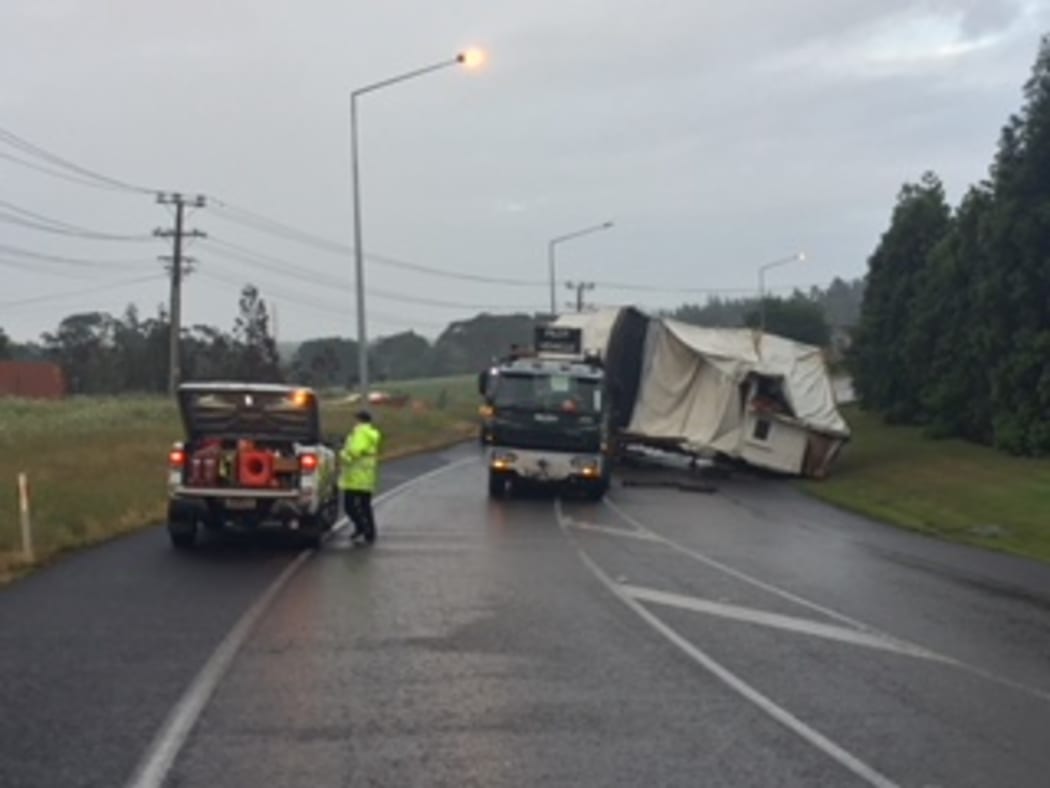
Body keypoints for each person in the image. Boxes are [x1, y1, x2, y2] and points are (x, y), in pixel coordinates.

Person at [339, 410, 382, 544]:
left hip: (355, 477)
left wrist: (343, 455)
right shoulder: (371, 433)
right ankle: (370, 532)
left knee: (349, 506)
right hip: (367, 476)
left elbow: (355, 451)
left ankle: (362, 527)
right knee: (365, 506)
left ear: (359, 420)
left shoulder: (360, 433)